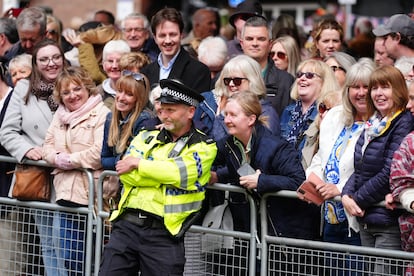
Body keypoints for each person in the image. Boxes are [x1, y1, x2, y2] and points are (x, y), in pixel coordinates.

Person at [99, 78, 217, 275]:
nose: (164, 115)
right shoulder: (146, 135)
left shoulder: (204, 146)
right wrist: (160, 173)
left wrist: (139, 164)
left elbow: (179, 174)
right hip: (126, 226)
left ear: (190, 112)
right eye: (161, 110)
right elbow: (125, 174)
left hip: (164, 234)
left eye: (171, 110)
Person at [211, 90, 319, 245]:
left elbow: (298, 181)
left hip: (286, 230)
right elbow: (234, 165)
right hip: (255, 229)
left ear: (251, 119)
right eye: (225, 114)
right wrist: (217, 176)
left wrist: (262, 180)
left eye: (233, 115)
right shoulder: (229, 143)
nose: (227, 120)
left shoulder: (276, 147)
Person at [0, 39, 67, 275]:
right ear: (36, 63)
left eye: (56, 57)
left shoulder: (75, 84)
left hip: (70, 176)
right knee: (48, 243)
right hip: (39, 175)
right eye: (44, 59)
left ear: (63, 58)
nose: (51, 64)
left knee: (68, 246)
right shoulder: (23, 88)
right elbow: (7, 132)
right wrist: (27, 150)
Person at [341, 65, 414, 274]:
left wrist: (357, 200)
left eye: (385, 87)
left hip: (386, 221)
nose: (378, 93)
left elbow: (390, 171)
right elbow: (360, 167)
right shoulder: (372, 124)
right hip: (366, 218)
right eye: (375, 88)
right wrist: (346, 195)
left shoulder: (404, 122)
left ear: (399, 90)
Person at [305, 59, 376, 272]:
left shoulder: (380, 123)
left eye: (367, 87)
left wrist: (341, 188)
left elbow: (374, 168)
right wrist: (314, 180)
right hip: (331, 217)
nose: (361, 92)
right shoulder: (335, 116)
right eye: (355, 87)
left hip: (358, 220)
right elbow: (320, 158)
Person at [42, 66, 110, 275]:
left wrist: (70, 160)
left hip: (93, 196)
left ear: (87, 88)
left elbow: (98, 153)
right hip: (65, 194)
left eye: (77, 89)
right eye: (66, 92)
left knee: (94, 258)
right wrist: (56, 158)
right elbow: (47, 146)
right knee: (70, 259)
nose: (72, 95)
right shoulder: (60, 116)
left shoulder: (102, 113)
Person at [101, 71, 156, 208]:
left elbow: (135, 162)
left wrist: (123, 162)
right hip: (116, 187)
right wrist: (121, 160)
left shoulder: (145, 120)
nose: (121, 98)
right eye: (120, 91)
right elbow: (103, 159)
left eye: (129, 94)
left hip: (136, 190)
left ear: (139, 99)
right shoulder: (110, 118)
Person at [141, 7, 211, 93]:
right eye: (162, 35)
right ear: (155, 38)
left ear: (181, 35)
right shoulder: (146, 72)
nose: (168, 41)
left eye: (173, 34)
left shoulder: (199, 71)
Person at [213, 54, 280, 141]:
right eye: (227, 80)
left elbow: (267, 148)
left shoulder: (266, 112)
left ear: (252, 81)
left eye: (237, 81)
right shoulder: (223, 108)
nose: (231, 84)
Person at [280, 59, 339, 156]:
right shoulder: (288, 111)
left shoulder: (326, 113)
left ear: (324, 82)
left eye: (309, 75)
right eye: (299, 74)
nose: (302, 78)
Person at [240, 16, 295, 116]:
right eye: (249, 39)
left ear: (270, 44)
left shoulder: (286, 81)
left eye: (261, 39)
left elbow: (289, 123)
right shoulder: (227, 77)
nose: (255, 43)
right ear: (241, 43)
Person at [387, 81, 414, 253]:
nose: (409, 105)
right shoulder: (410, 142)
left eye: (413, 98)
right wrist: (410, 200)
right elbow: (400, 183)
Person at [98, 40, 131, 108]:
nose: (114, 66)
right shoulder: (97, 93)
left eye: (119, 61)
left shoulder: (139, 90)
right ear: (103, 64)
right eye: (110, 61)